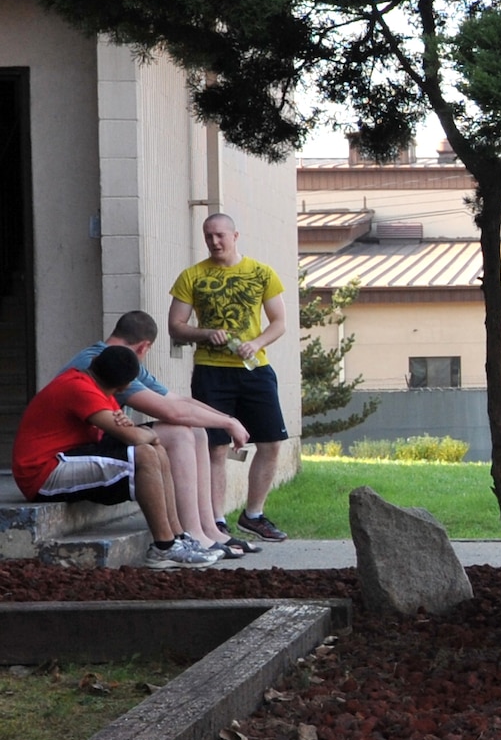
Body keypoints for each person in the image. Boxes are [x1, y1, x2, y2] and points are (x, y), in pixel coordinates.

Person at [67, 310, 261, 558]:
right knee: (178, 434)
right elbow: (172, 412)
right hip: (77, 450)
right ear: (144, 346)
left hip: (98, 440)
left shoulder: (116, 357)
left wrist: (229, 421)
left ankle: (209, 530)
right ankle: (192, 534)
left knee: (197, 431)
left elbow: (176, 400)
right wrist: (227, 423)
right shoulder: (110, 364)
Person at [9, 346, 219, 568]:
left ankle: (177, 538)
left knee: (154, 451)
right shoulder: (79, 388)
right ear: (125, 386)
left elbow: (122, 430)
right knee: (145, 454)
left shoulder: (94, 386)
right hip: (42, 474)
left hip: (65, 457)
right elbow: (132, 436)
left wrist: (138, 433)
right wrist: (148, 434)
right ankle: (164, 547)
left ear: (94, 362)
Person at [167, 212, 291, 543]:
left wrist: (257, 343)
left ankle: (254, 515)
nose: (214, 241)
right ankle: (217, 520)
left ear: (235, 236)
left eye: (220, 235)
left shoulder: (261, 273)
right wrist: (206, 333)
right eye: (208, 236)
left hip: (254, 369)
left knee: (271, 442)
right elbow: (175, 326)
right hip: (211, 371)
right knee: (216, 447)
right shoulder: (192, 276)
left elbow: (279, 322)